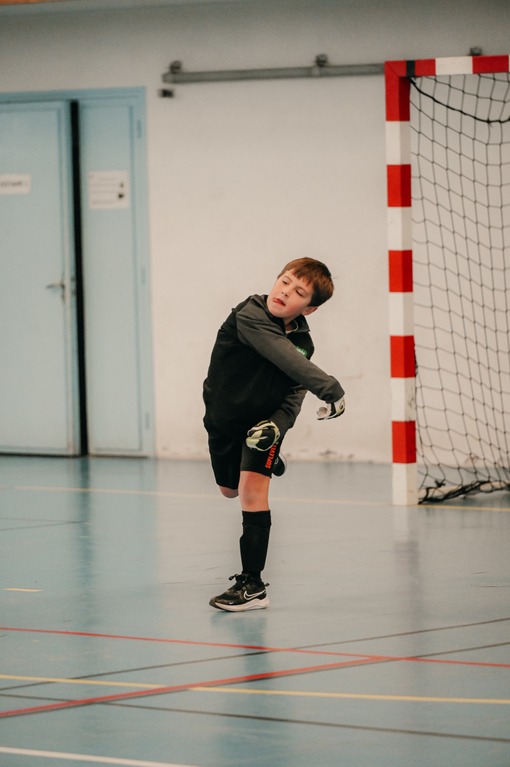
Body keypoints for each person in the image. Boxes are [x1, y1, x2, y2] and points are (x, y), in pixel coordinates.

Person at [203, 258, 345, 612]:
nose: (285, 292)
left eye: (299, 292)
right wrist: (331, 388)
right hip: (224, 419)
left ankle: (252, 585)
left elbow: (294, 390)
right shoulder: (249, 314)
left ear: (309, 308)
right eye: (284, 281)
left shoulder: (303, 343)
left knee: (251, 492)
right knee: (228, 490)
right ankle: (268, 459)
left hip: (262, 426)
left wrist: (278, 425)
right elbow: (283, 356)